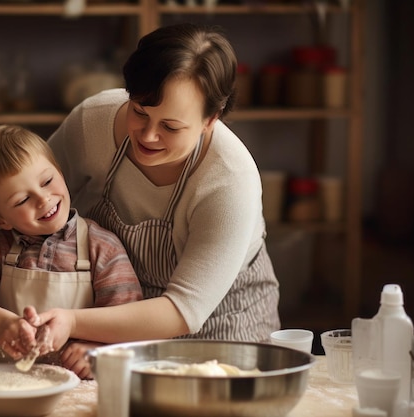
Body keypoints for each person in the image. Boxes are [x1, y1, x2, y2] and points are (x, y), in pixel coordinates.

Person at [22, 22, 281, 354]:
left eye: (170, 126)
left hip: (220, 328)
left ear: (210, 119)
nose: (147, 136)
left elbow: (184, 310)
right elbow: (30, 194)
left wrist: (78, 324)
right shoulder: (94, 123)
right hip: (107, 314)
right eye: (139, 112)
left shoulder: (229, 181)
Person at [0, 124, 143, 379]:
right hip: (9, 383)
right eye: (21, 200)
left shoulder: (101, 247)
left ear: (60, 172)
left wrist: (98, 352)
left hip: (79, 388)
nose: (42, 199)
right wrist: (1, 323)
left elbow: (128, 321)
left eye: (47, 181)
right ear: (1, 220)